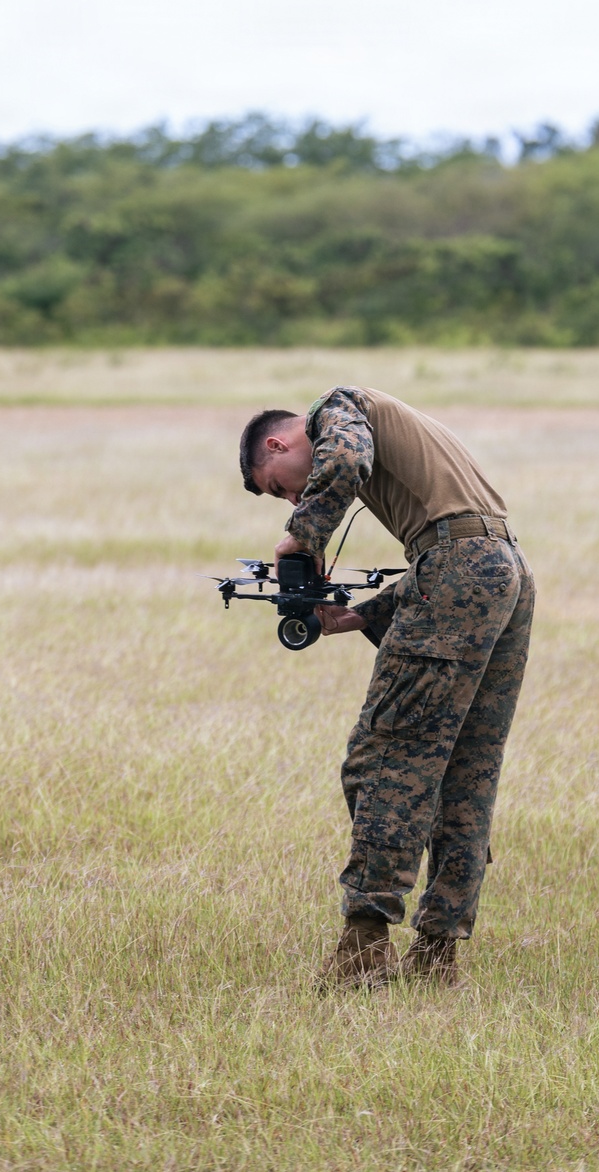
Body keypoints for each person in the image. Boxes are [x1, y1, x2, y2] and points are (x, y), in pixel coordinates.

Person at [239, 386, 535, 989]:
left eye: (280, 485)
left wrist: (302, 535)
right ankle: (436, 957)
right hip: (505, 570)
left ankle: (362, 951)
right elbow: (459, 547)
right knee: (465, 772)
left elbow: (344, 463)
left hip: (462, 570)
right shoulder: (384, 422)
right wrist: (363, 615)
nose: (293, 496)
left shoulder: (337, 410)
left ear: (279, 443)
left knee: (384, 759)